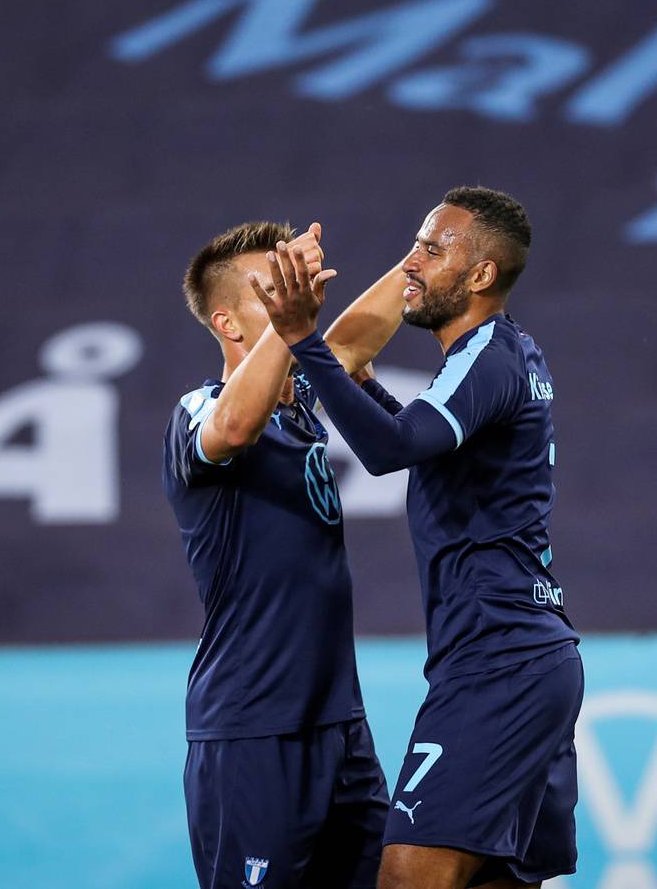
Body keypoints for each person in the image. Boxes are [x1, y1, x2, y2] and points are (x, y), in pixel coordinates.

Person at [252, 188, 581, 889]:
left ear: (481, 275)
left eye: (434, 249)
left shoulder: (487, 355)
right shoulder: (504, 355)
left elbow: (394, 449)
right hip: (523, 656)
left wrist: (305, 340)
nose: (412, 262)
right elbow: (435, 449)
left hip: (500, 663)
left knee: (406, 878)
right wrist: (364, 390)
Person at [165, 220, 396, 888]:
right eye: (277, 289)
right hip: (253, 730)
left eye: (300, 282)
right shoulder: (198, 411)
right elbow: (234, 428)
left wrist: (428, 256)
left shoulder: (302, 407)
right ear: (229, 323)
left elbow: (350, 342)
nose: (297, 298)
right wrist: (292, 330)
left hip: (340, 728)